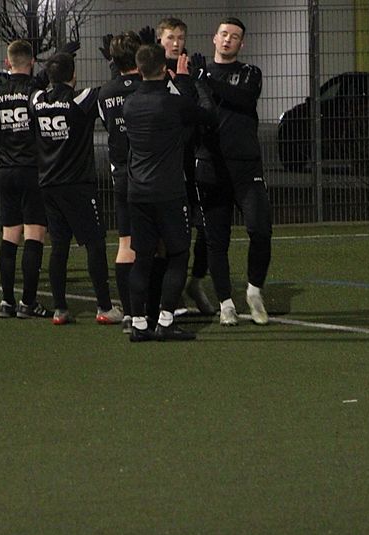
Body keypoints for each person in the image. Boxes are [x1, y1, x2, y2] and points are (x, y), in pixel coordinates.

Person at [123, 43, 211, 342]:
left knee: (142, 258)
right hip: (169, 192)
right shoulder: (172, 103)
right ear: (164, 68)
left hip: (138, 192)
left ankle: (138, 324)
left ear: (139, 69)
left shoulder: (130, 104)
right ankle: (165, 320)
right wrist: (187, 79)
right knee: (178, 254)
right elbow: (205, 114)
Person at [28, 52, 123, 325]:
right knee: (94, 244)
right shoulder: (80, 100)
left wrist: (49, 68)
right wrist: (115, 65)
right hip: (78, 185)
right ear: (74, 75)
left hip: (49, 184)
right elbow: (111, 91)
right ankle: (104, 307)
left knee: (59, 247)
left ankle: (60, 309)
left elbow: (33, 86)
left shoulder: (38, 101)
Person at [195, 17, 273, 326]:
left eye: (235, 36)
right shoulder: (198, 75)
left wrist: (207, 81)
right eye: (224, 34)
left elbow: (243, 98)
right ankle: (225, 303)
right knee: (217, 240)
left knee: (260, 229)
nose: (228, 39)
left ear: (242, 43)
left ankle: (254, 291)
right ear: (214, 38)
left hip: (246, 167)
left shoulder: (250, 73)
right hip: (211, 167)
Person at [0, 39, 53, 319]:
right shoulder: (36, 93)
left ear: (7, 63)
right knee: (34, 233)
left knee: (9, 235)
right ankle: (28, 303)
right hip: (32, 169)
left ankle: (6, 301)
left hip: (6, 171)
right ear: (32, 62)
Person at [97, 32, 142, 333]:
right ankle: (156, 308)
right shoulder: (149, 85)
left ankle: (129, 312)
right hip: (149, 172)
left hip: (121, 173)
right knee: (157, 243)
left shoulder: (105, 92)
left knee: (125, 243)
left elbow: (107, 121)